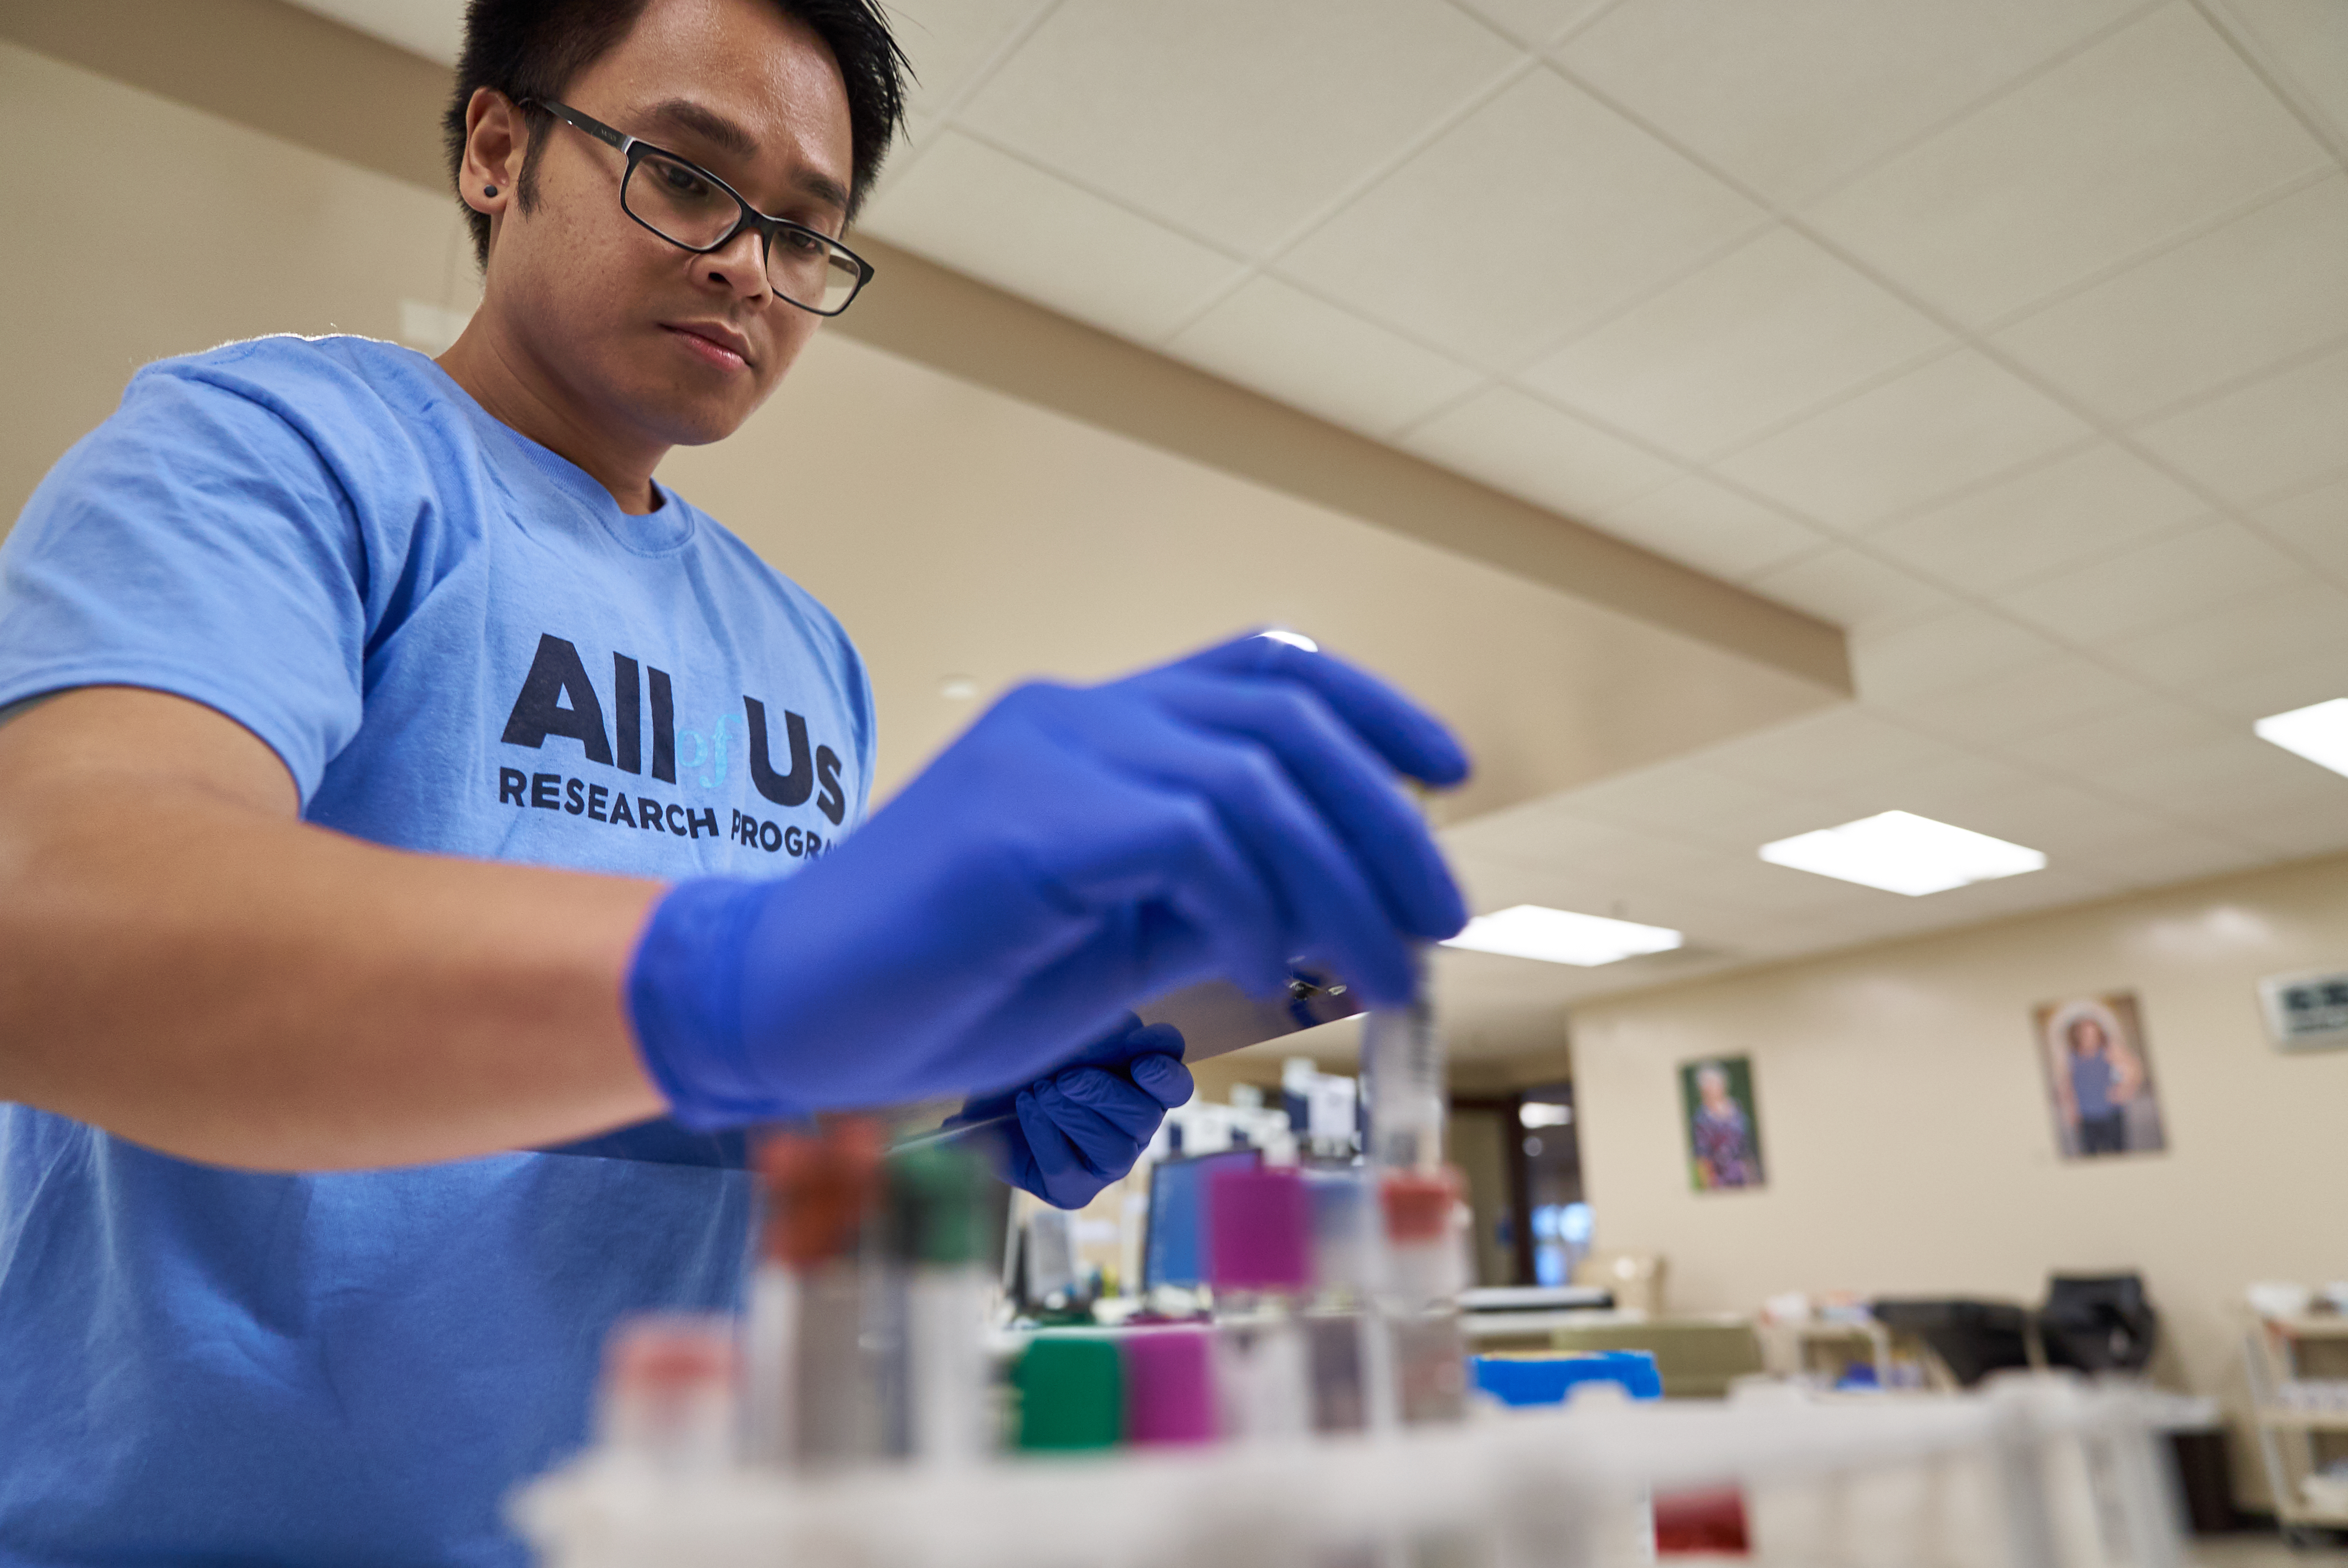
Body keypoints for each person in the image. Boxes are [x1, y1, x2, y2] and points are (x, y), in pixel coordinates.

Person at [0, 0, 1469, 1557]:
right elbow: (53, 917)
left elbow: (701, 1144)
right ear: (500, 151)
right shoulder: (279, 448)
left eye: (802, 233)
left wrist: (946, 1121)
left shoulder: (800, 649)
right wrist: (741, 981)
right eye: (689, 179)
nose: (749, 269)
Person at [1688, 1062, 1759, 1189]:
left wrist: (1752, 1178)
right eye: (1708, 1085)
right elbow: (1702, 1158)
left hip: (1744, 1176)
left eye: (1715, 1083)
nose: (1712, 1088)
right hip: (1719, 1182)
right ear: (1702, 1089)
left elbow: (1748, 1148)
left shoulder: (1738, 1112)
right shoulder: (1700, 1119)